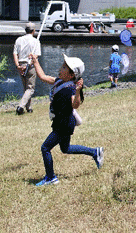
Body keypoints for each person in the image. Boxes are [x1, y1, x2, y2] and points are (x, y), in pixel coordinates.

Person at [30, 53, 104, 186]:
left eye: (64, 67)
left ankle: (51, 177)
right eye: (62, 65)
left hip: (64, 124)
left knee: (45, 148)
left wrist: (77, 91)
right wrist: (35, 61)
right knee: (66, 148)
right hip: (61, 122)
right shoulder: (59, 81)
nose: (60, 68)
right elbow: (42, 77)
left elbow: (75, 105)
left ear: (71, 75)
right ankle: (95, 152)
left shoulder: (71, 88)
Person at [13, 22, 41, 115]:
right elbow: (36, 56)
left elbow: (15, 54)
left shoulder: (19, 40)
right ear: (33, 31)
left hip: (21, 64)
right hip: (30, 66)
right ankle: (21, 106)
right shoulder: (36, 41)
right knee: (30, 88)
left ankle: (29, 107)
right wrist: (28, 64)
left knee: (26, 88)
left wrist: (18, 66)